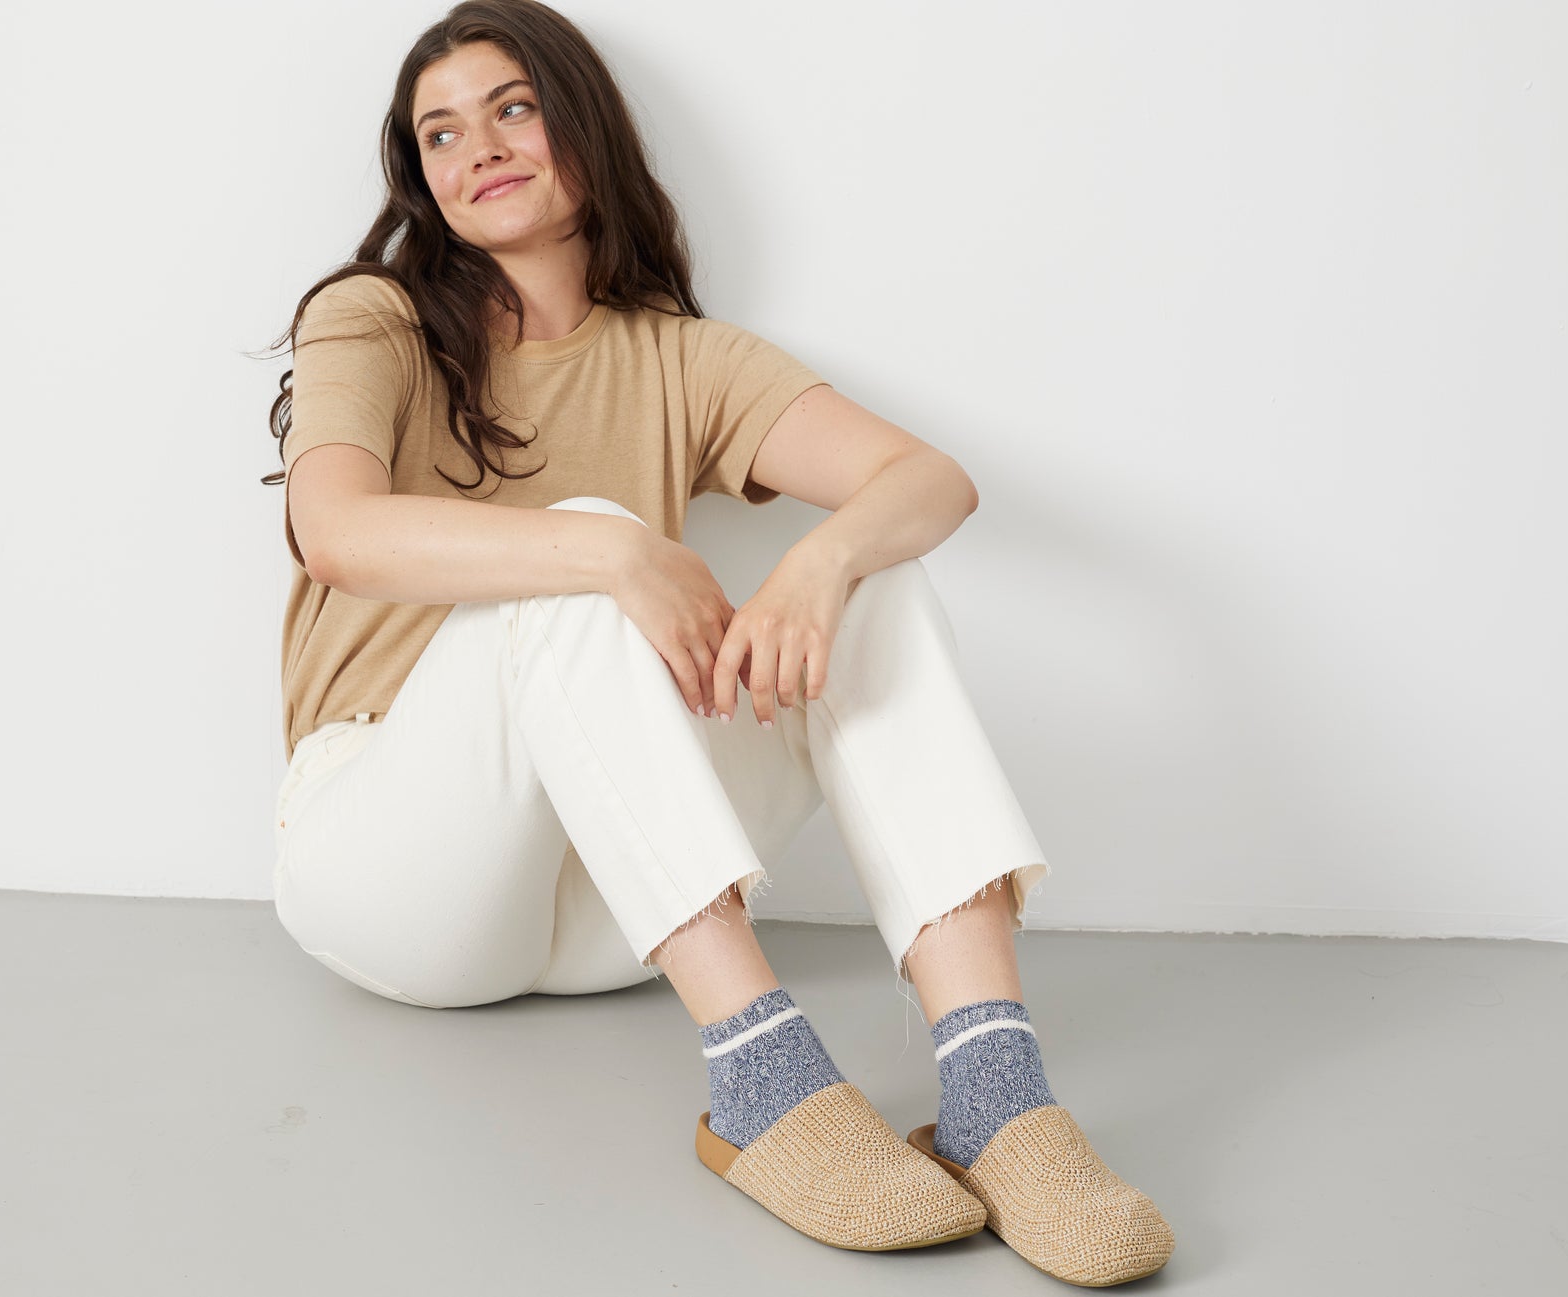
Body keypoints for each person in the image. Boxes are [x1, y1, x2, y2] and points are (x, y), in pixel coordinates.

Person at [262, 0, 1173, 1281]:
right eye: (441, 133)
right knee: (587, 540)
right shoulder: (376, 317)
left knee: (874, 578)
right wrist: (614, 552)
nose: (480, 147)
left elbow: (930, 480)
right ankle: (762, 1082)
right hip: (393, 871)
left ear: (581, 127)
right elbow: (336, 531)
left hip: (612, 910)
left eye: (512, 108)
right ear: (421, 176)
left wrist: (819, 564)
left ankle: (994, 1092)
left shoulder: (679, 359)